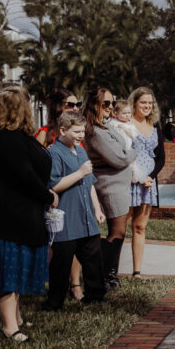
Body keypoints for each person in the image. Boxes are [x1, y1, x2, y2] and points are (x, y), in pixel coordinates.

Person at [0, 86, 57, 342]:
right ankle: (10, 326)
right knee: (7, 269)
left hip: (22, 214)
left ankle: (15, 316)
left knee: (17, 265)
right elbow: (25, 177)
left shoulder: (20, 136)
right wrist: (49, 196)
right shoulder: (6, 139)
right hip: (5, 217)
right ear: (23, 108)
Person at [41, 110, 107, 311]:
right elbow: (53, 185)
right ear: (62, 130)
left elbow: (90, 183)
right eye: (77, 131)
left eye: (83, 132)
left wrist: (97, 209)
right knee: (61, 263)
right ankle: (54, 303)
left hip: (87, 218)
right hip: (67, 219)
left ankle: (95, 297)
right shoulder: (54, 153)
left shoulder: (81, 151)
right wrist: (79, 173)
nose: (81, 135)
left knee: (94, 259)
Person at [83, 87, 135, 290]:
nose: (110, 107)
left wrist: (126, 154)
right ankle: (105, 277)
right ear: (94, 104)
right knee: (117, 231)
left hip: (119, 184)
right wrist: (132, 154)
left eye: (112, 103)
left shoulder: (104, 126)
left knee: (119, 230)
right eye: (106, 103)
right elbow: (119, 158)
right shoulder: (94, 131)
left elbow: (121, 151)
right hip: (110, 185)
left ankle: (109, 275)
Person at [126, 86, 166, 279]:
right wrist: (138, 174)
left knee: (140, 227)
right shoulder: (125, 124)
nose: (147, 106)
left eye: (150, 103)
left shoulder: (156, 126)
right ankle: (109, 272)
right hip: (129, 180)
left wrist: (150, 177)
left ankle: (137, 272)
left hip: (148, 183)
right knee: (120, 226)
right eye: (143, 102)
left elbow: (161, 158)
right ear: (134, 103)